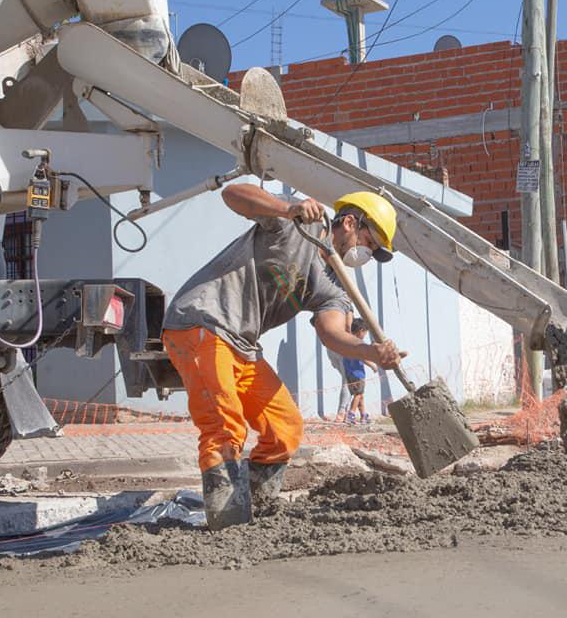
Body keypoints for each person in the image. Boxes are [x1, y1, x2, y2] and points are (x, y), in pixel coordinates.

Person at [162, 184, 404, 530]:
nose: (366, 253)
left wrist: (371, 352)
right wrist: (283, 209)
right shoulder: (299, 223)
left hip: (242, 343)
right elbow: (233, 195)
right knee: (223, 424)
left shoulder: (333, 285)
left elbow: (332, 332)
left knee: (285, 429)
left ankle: (257, 506)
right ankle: (229, 523)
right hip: (202, 323)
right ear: (350, 223)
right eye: (369, 243)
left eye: (374, 250)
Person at [342, 318, 378, 424]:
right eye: (365, 333)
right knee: (358, 394)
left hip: (349, 373)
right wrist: (372, 365)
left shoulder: (347, 341)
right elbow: (361, 357)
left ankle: (363, 416)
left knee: (360, 395)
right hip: (358, 373)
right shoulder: (358, 343)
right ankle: (351, 414)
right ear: (361, 331)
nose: (365, 335)